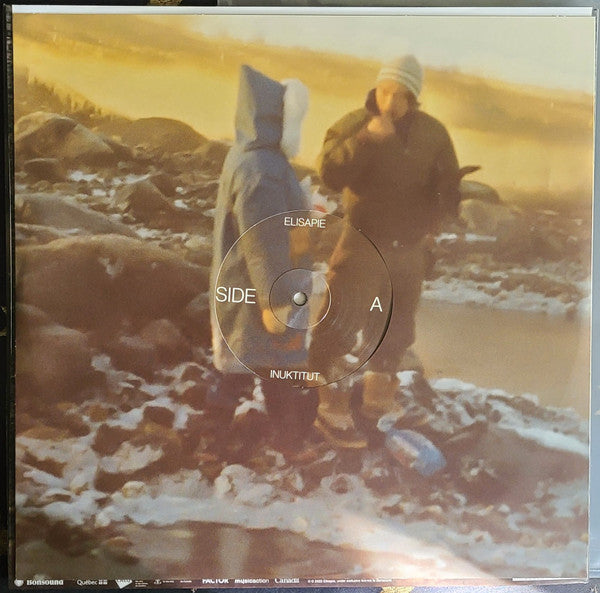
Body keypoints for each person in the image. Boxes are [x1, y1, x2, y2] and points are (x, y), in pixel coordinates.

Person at [310, 55, 461, 449]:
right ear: (376, 88)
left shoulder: (433, 133)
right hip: (362, 243)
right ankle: (327, 407)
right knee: (339, 323)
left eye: (400, 94)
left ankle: (376, 404)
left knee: (395, 330)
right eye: (384, 91)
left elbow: (446, 187)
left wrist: (436, 225)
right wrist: (366, 139)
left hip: (408, 251)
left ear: (414, 96)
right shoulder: (354, 124)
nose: (390, 101)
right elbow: (328, 173)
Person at [208, 64, 317, 449]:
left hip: (247, 286)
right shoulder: (263, 171)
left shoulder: (252, 157)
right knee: (269, 370)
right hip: (260, 294)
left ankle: (218, 439)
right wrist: (277, 301)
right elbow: (264, 241)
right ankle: (283, 444)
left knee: (250, 368)